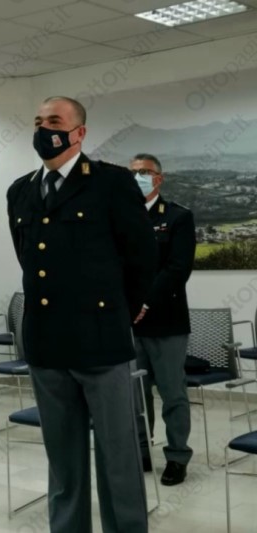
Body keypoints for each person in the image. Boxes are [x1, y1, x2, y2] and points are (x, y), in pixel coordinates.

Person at [6, 96, 157, 533]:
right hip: (46, 343)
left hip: (101, 342)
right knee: (63, 460)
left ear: (79, 133)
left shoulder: (111, 182)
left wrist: (118, 316)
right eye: (38, 121)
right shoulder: (21, 190)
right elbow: (28, 259)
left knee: (118, 457)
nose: (44, 129)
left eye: (54, 121)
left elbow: (141, 257)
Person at [131, 153, 195, 486]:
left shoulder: (177, 217)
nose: (138, 177)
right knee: (135, 394)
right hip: (130, 323)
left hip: (167, 321)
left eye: (144, 172)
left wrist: (145, 301)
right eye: (133, 172)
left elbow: (177, 268)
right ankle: (141, 451)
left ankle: (177, 456)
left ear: (159, 178)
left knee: (172, 394)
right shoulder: (122, 216)